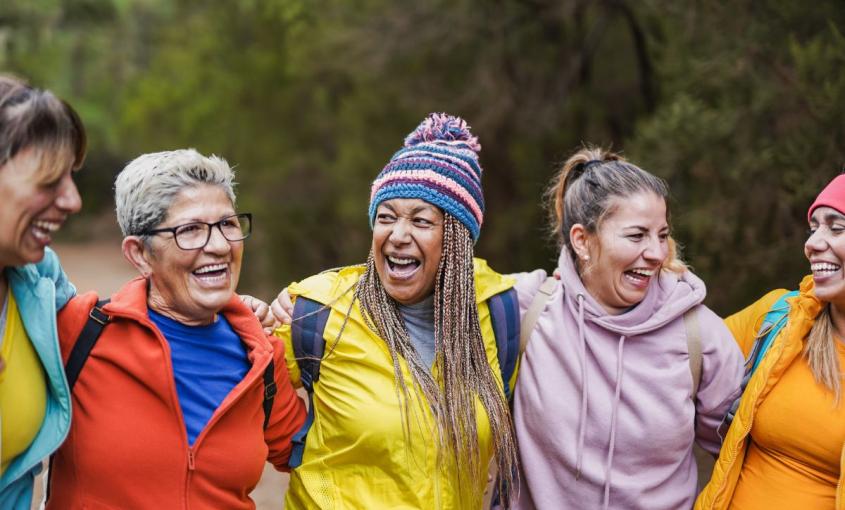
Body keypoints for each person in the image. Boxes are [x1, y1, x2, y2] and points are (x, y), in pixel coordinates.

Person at [271, 113, 519, 509]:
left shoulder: (496, 311)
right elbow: (246, 383)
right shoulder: (319, 310)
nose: (398, 236)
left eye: (421, 221)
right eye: (386, 217)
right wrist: (293, 443)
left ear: (455, 240)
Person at [45, 149, 306, 509]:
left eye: (228, 224)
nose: (218, 246)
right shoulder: (80, 331)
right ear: (139, 254)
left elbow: (317, 459)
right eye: (190, 230)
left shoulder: (261, 354)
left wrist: (331, 333)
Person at [511, 147, 744, 509]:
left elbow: (747, 457)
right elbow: (439, 283)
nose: (656, 253)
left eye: (662, 235)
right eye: (637, 236)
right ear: (581, 241)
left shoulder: (699, 336)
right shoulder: (528, 310)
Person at [696, 173, 845, 509]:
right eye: (814, 228)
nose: (813, 243)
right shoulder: (779, 318)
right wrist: (593, 285)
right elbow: (677, 346)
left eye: (836, 228)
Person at [0, 75, 86, 509]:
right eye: (50, 180)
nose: (73, 201)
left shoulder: (38, 278)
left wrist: (226, 314)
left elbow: (106, 335)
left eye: (70, 178)